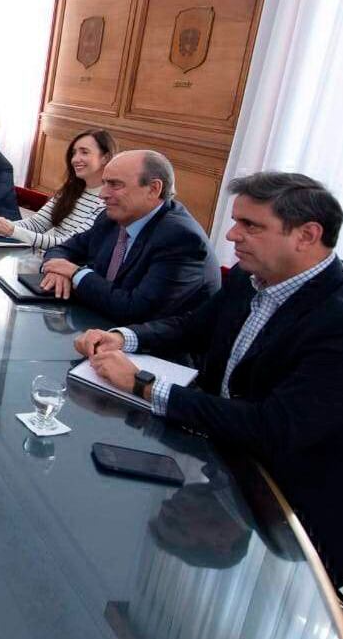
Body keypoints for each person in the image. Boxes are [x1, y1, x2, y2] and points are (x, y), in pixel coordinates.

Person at [73, 172, 343, 582]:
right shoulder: (250, 278)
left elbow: (272, 426)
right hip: (220, 456)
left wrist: (144, 385)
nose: (232, 235)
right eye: (236, 221)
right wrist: (121, 338)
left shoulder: (335, 317)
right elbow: (191, 326)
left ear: (306, 234)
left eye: (250, 225)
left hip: (289, 499)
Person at [40, 149, 220, 324]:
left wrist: (75, 273)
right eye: (104, 183)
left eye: (115, 184)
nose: (103, 194)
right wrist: (58, 272)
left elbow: (134, 311)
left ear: (153, 189)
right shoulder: (111, 218)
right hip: (97, 323)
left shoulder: (181, 239)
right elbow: (62, 249)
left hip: (155, 348)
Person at [0, 129, 116, 249]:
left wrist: (12, 230)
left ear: (105, 157)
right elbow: (36, 224)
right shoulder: (70, 190)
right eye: (74, 153)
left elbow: (68, 244)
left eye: (84, 152)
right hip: (49, 260)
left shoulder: (107, 200)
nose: (75, 159)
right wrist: (2, 224)